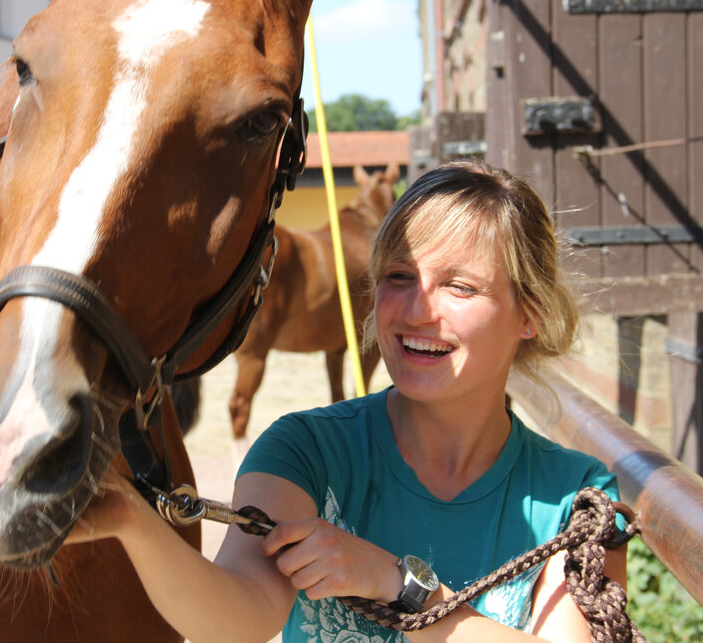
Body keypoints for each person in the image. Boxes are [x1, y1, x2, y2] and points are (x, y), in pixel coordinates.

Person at [70, 160, 626, 643]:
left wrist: (400, 586)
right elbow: (239, 616)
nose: (414, 311)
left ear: (528, 312)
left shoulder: (576, 497)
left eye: (460, 286)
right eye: (398, 276)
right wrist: (132, 520)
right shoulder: (305, 450)